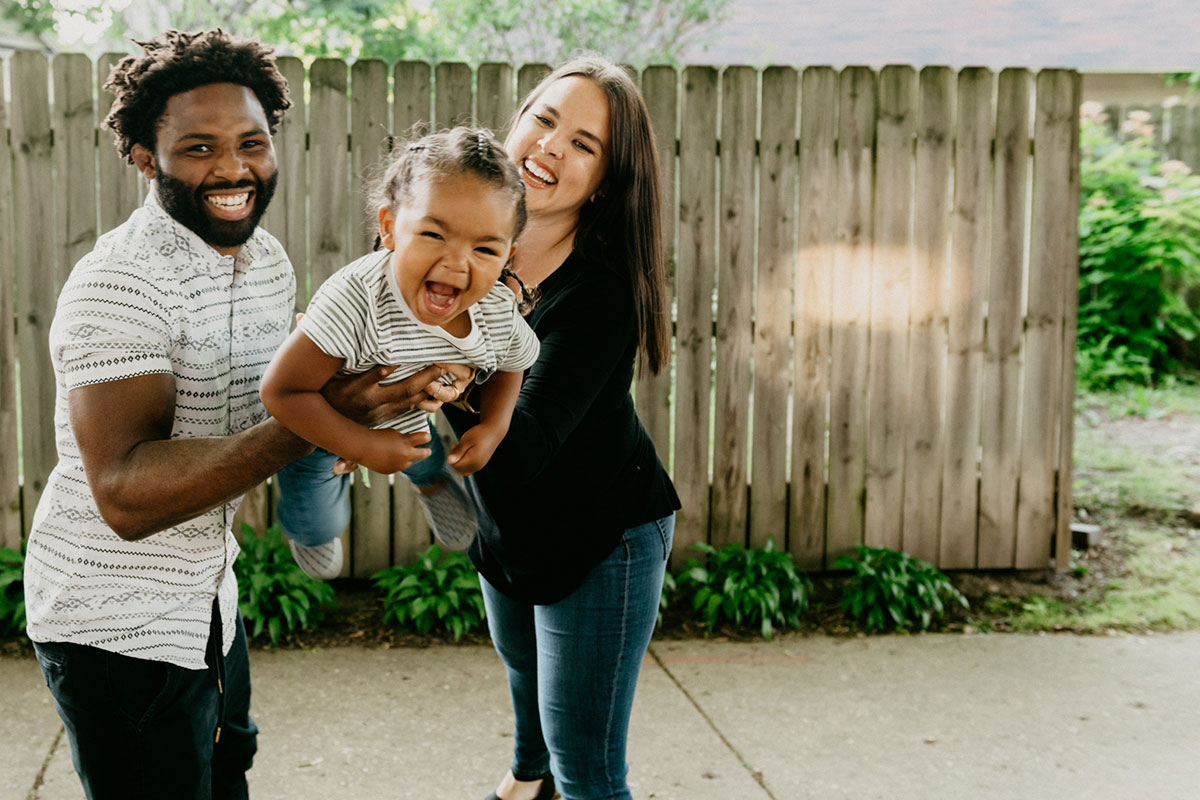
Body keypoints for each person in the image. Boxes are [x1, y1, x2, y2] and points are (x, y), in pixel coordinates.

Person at [21, 29, 466, 800]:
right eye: (197, 148)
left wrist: (387, 389)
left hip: (208, 600)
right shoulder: (117, 287)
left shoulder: (266, 263)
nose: (232, 169)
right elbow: (125, 494)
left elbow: (281, 398)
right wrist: (319, 421)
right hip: (113, 625)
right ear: (141, 156)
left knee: (228, 778)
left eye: (250, 143)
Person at [440, 57, 681, 800]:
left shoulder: (600, 294)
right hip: (507, 533)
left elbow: (521, 453)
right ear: (515, 127)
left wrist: (434, 363)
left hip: (602, 542)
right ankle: (524, 780)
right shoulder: (463, 247)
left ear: (606, 179)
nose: (551, 147)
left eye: (584, 144)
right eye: (543, 120)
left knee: (590, 768)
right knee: (526, 677)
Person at [260, 127, 540, 578]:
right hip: (317, 424)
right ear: (389, 227)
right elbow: (282, 392)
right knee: (319, 516)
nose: (457, 262)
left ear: (508, 254)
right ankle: (310, 530)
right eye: (434, 234)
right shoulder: (355, 300)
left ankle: (429, 481)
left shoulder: (495, 309)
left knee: (419, 449)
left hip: (405, 417)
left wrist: (494, 426)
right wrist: (363, 444)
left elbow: (515, 361)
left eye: (485, 248)